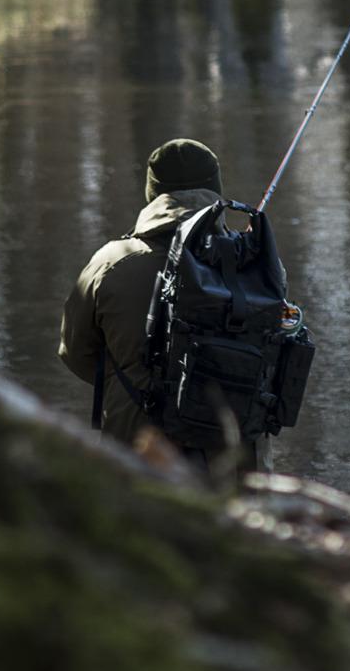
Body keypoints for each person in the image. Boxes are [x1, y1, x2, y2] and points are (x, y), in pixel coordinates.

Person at [59, 136, 233, 456]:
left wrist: (128, 377)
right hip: (234, 450)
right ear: (216, 189)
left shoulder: (110, 262)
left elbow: (74, 351)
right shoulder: (255, 262)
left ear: (152, 193)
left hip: (138, 447)